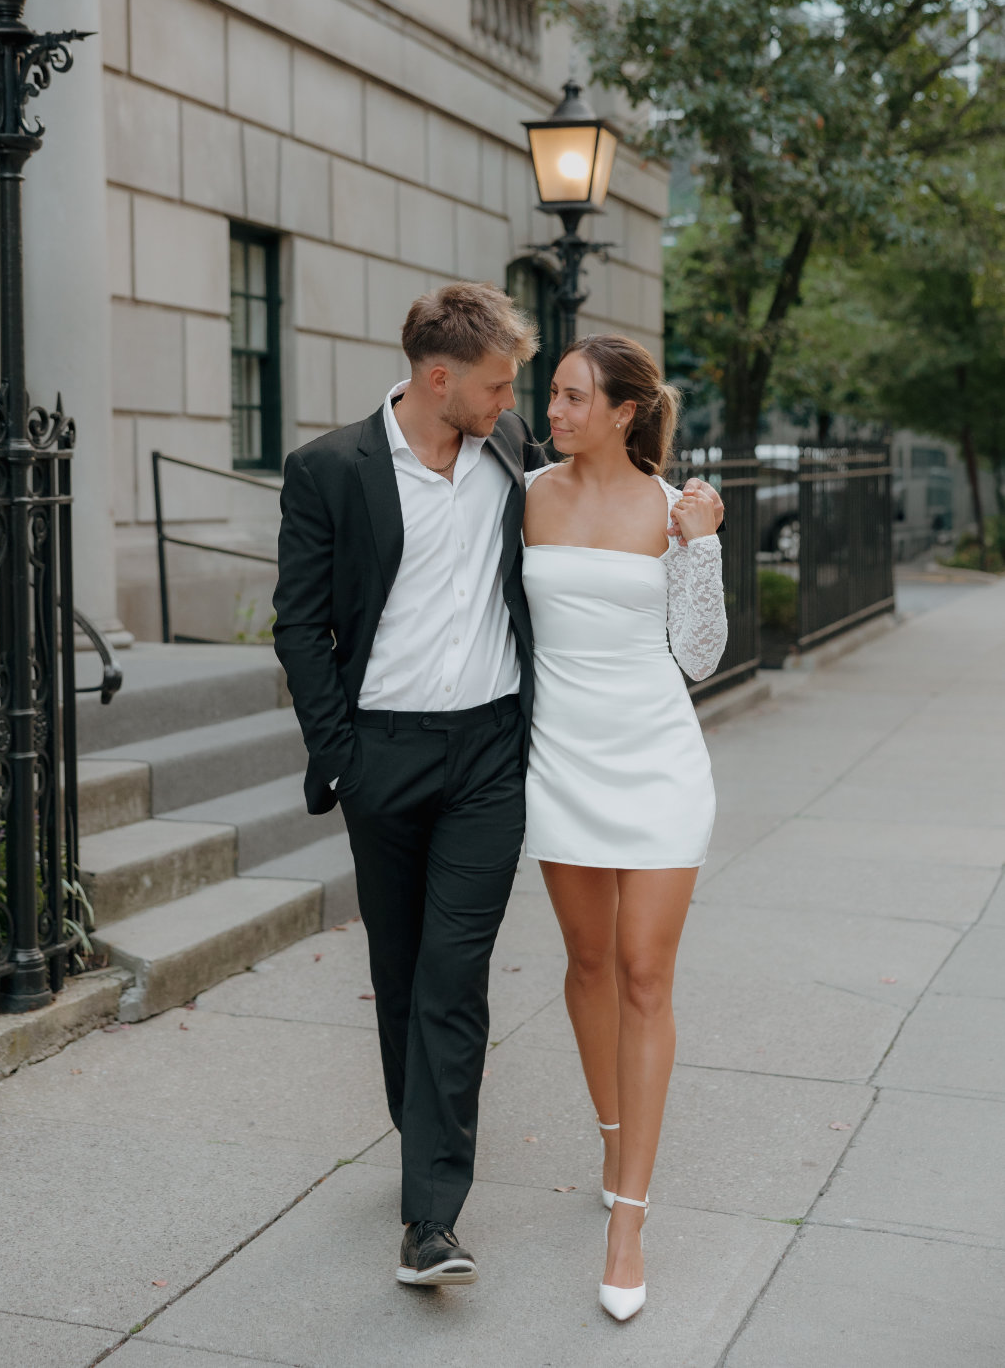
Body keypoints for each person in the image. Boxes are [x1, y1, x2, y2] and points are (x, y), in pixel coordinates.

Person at [272, 284, 723, 1290]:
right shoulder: (333, 470)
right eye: (505, 385)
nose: (523, 404)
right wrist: (339, 752)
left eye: (550, 392)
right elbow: (300, 623)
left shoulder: (506, 452)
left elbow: (670, 595)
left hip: (492, 753)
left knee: (455, 974)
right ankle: (422, 1126)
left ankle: (431, 1216)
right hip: (383, 751)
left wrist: (701, 534)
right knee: (404, 973)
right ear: (441, 381)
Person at [521, 334, 726, 1322]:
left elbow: (697, 654)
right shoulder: (523, 496)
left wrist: (706, 544)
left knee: (645, 969)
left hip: (657, 764)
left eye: (569, 395)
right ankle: (611, 1129)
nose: (552, 408)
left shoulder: (672, 507)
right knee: (588, 959)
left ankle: (628, 1217)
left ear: (623, 411)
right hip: (561, 763)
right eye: (551, 393)